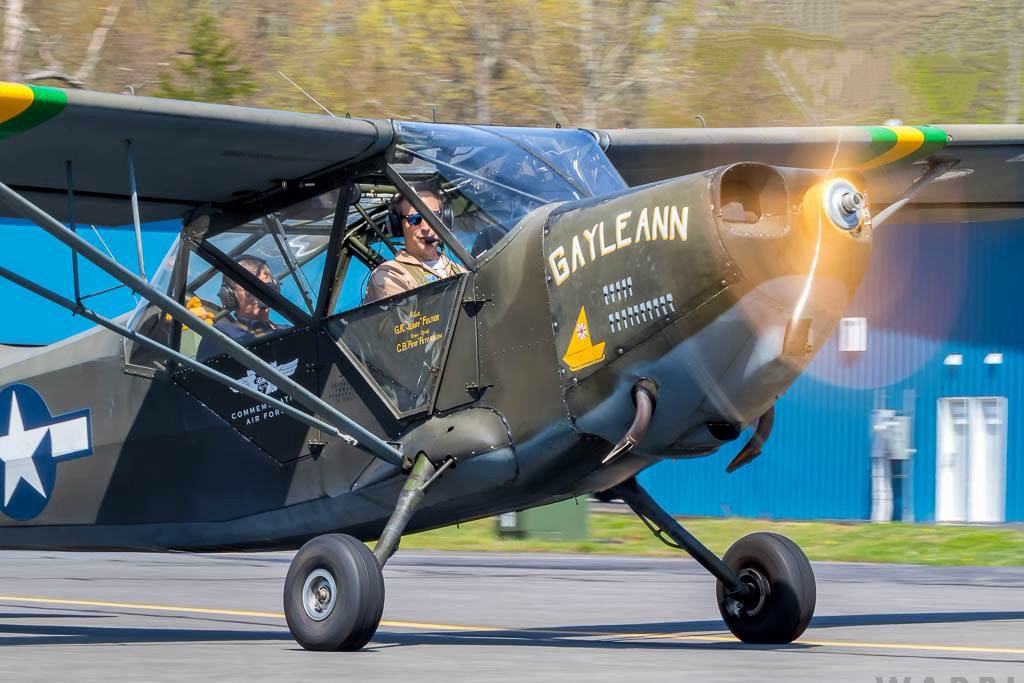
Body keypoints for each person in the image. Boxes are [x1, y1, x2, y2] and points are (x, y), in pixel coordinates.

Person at [364, 188, 464, 303]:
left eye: (433, 216)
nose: (426, 227)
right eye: (415, 219)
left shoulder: (459, 269)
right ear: (398, 226)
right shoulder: (388, 276)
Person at [196, 255, 280, 360]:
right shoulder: (218, 338)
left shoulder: (289, 329)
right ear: (230, 296)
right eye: (250, 291)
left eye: (267, 287)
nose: (260, 296)